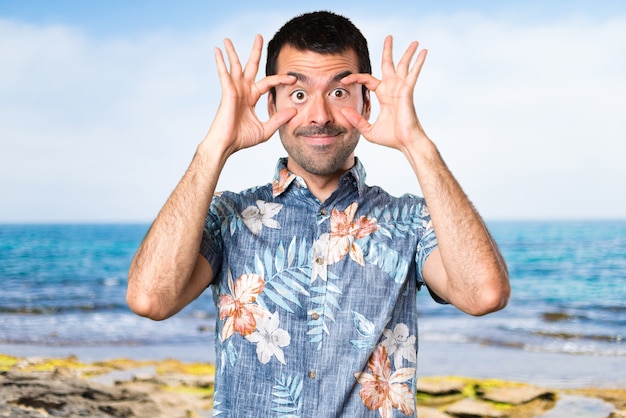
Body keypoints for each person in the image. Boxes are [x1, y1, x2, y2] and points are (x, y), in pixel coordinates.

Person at [127, 10, 510, 417]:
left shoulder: (409, 221)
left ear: (367, 100)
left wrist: (417, 144)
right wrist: (214, 147)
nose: (320, 115)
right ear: (269, 101)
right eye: (297, 94)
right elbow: (151, 299)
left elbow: (483, 294)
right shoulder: (227, 216)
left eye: (340, 92)